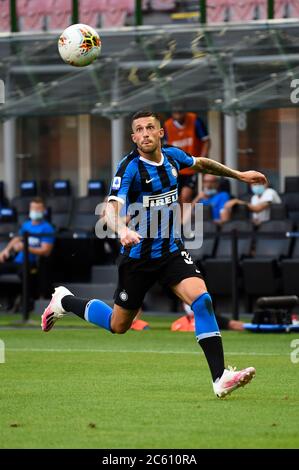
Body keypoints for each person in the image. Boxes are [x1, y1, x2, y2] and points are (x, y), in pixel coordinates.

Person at [41, 110, 267, 398]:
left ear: (161, 133)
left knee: (203, 301)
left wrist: (238, 175)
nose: (145, 133)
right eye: (139, 129)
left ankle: (220, 378)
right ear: (133, 137)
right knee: (118, 325)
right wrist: (121, 229)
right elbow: (110, 208)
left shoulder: (173, 157)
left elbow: (201, 164)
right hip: (138, 259)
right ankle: (64, 300)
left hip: (171, 252)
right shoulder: (129, 168)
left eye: (150, 128)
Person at [0, 197, 55, 308]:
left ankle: (25, 303)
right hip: (17, 261)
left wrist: (25, 248)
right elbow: (16, 239)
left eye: (38, 209)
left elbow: (46, 251)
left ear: (43, 210)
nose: (35, 211)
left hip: (32, 263)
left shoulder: (47, 228)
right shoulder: (26, 225)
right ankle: (5, 299)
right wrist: (5, 251)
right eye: (33, 208)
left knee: (24, 273)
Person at [164, 107, 210, 205]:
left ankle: (186, 220)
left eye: (180, 112)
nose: (178, 115)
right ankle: (181, 220)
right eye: (176, 112)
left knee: (186, 196)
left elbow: (206, 141)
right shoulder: (167, 125)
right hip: (176, 168)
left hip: (192, 165)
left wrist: (201, 159)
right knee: (177, 198)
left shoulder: (195, 120)